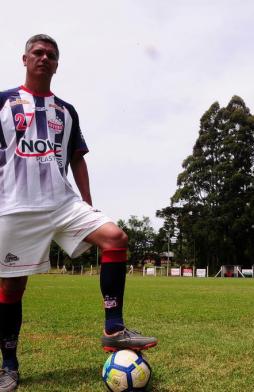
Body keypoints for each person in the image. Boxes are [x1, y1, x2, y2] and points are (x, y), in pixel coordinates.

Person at [0, 34, 157, 391]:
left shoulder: (66, 112)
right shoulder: (3, 103)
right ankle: (8, 366)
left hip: (62, 202)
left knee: (115, 237)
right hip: (15, 207)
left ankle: (113, 328)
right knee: (11, 288)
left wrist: (87, 202)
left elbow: (77, 159)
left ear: (57, 64)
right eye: (37, 53)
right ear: (24, 59)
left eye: (51, 55)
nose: (44, 58)